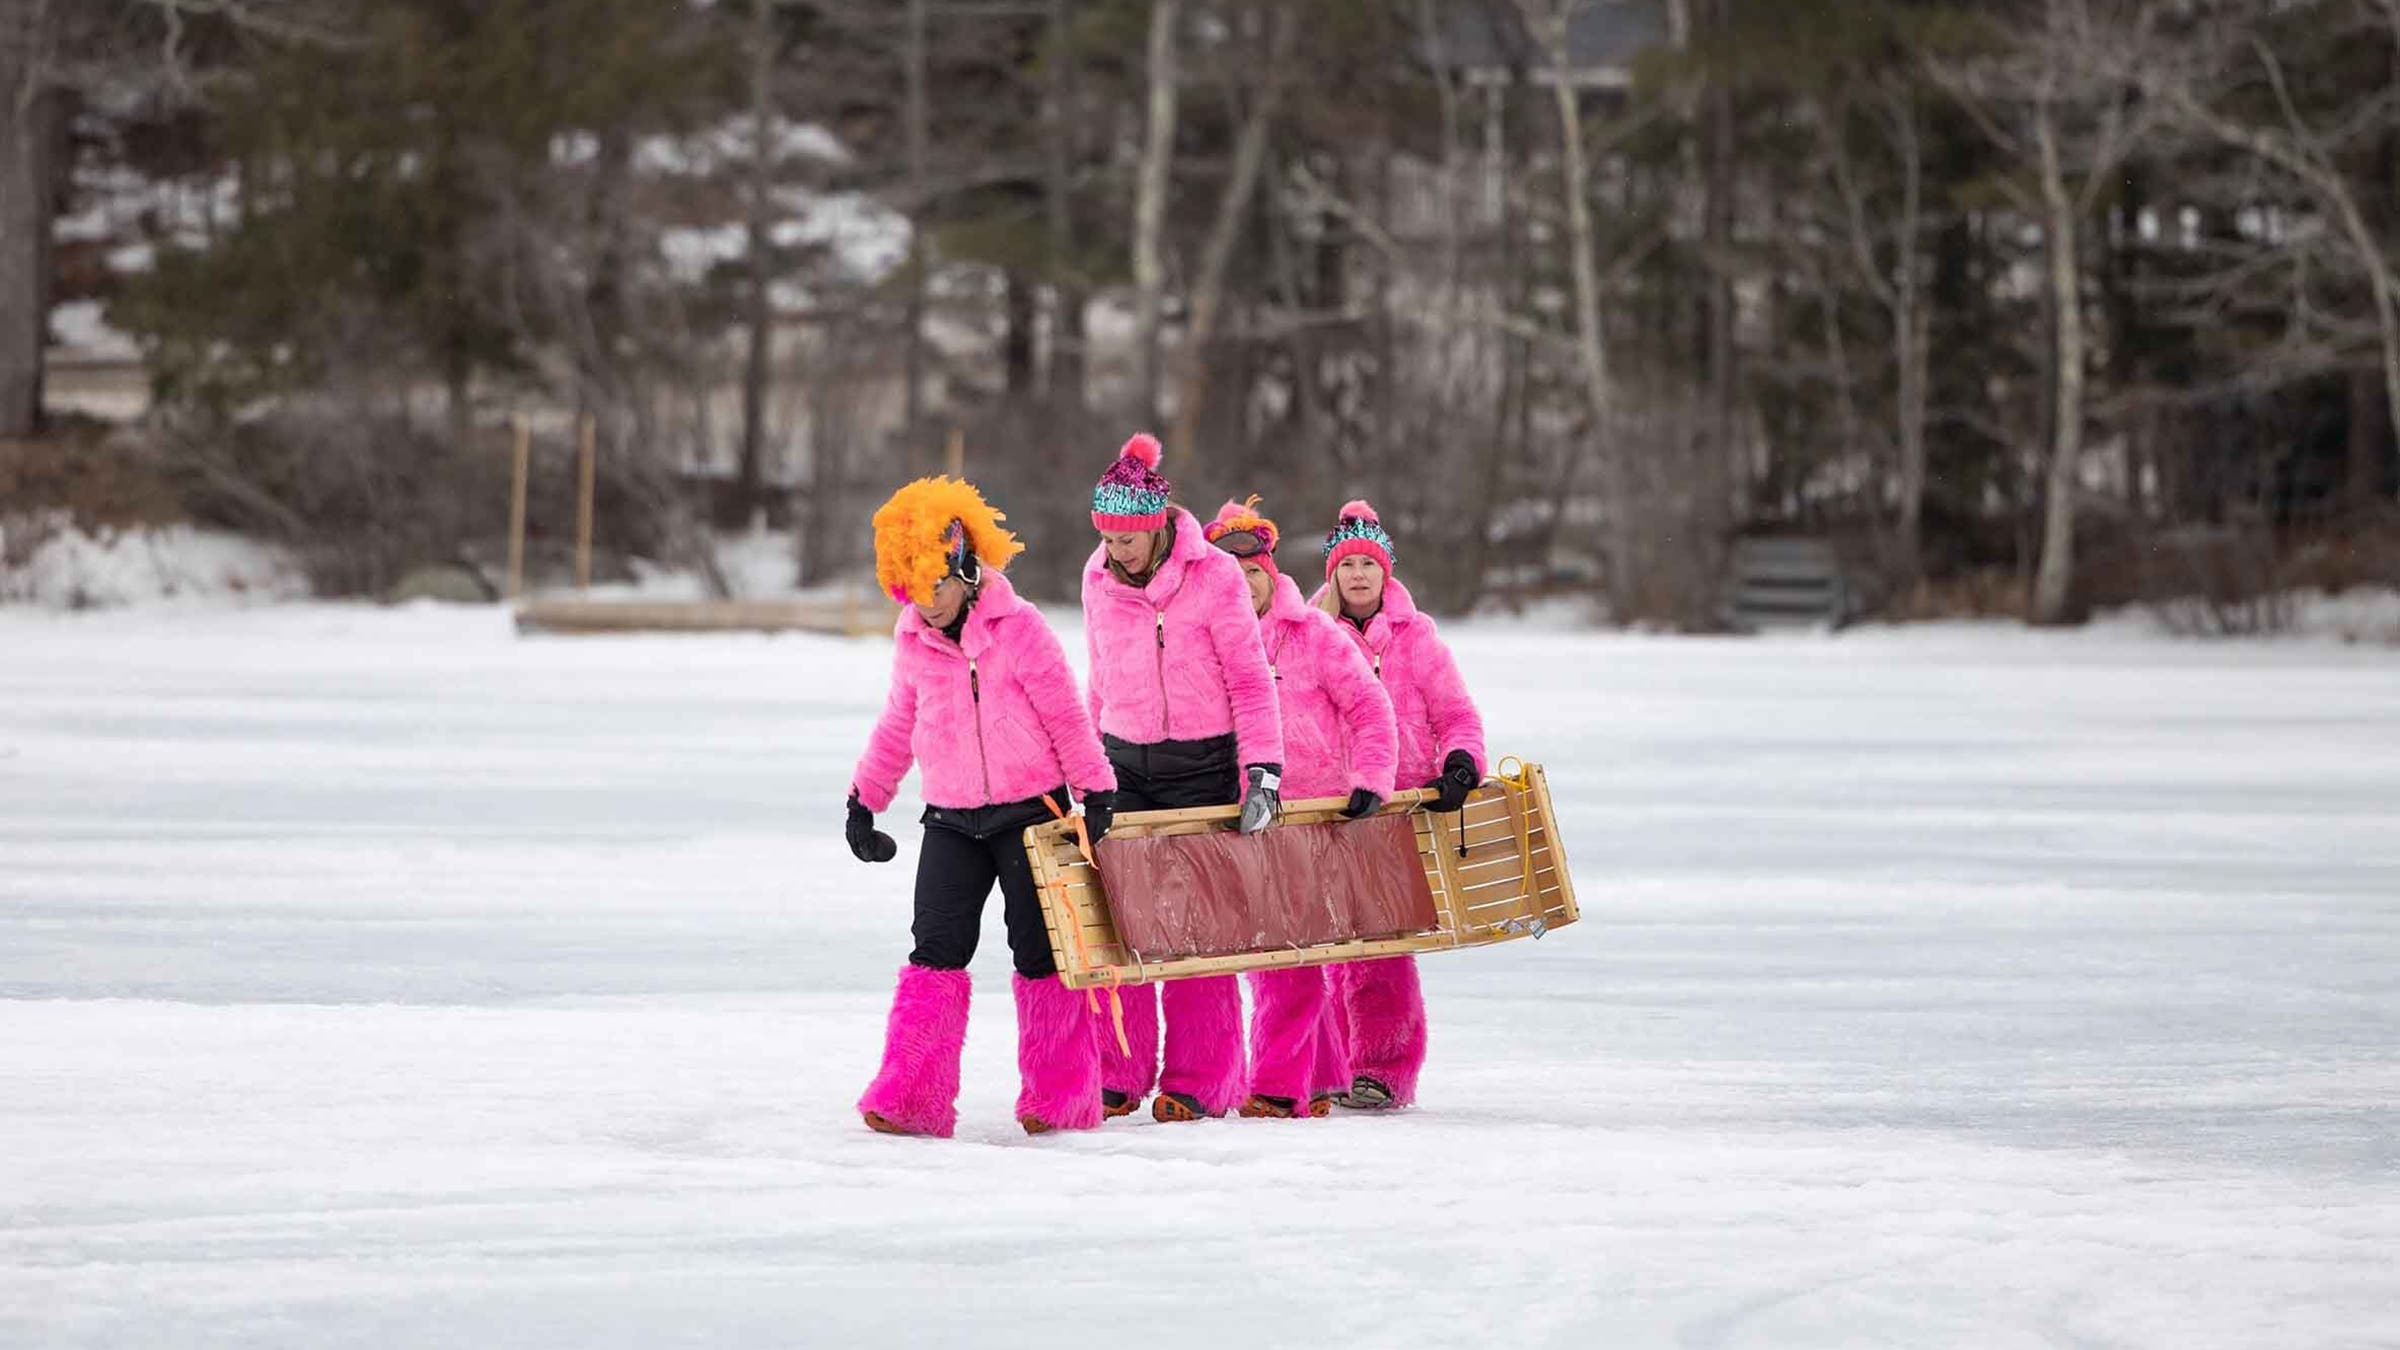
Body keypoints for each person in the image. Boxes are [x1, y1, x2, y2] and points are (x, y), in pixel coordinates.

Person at [848, 476, 1119, 1138]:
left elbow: (1064, 714)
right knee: (935, 950)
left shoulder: (1019, 629)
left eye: (933, 586)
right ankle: (911, 1097)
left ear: (966, 571)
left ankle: (1061, 1098)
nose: (924, 603)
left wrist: (1096, 787)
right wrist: (865, 798)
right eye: (910, 589)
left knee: (1042, 956)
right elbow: (897, 724)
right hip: (951, 818)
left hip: (1036, 813)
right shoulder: (913, 640)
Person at [1083, 434, 1285, 1123]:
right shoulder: (1097, 579)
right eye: (1106, 539)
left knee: (1198, 931)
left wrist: (1263, 771)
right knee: (1122, 928)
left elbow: (1251, 681)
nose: (1117, 552)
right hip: (1122, 766)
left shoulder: (1216, 577)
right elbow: (1098, 680)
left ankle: (1203, 1079)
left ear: (1156, 526)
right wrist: (1085, 773)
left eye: (1127, 539)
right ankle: (1117, 1072)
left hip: (1201, 765)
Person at [1202, 497, 1397, 1119]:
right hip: (1232, 818)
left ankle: (1280, 1085)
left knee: (1287, 958)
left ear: (1269, 573)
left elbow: (1371, 709)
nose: (1242, 586)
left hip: (1307, 817)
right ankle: (1324, 1075)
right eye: (1228, 577)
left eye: (1252, 573)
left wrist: (1371, 778)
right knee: (1271, 957)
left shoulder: (1311, 635)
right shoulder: (1200, 640)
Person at [1311, 499, 1487, 1111]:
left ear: (1386, 572)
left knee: (1382, 949)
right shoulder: (1308, 634)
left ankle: (1384, 1070)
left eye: (1368, 563)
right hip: (1327, 808)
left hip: (1398, 811)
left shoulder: (1418, 641)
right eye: (1347, 564)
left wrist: (1460, 762)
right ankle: (1328, 1063)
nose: (1358, 575)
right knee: (1328, 946)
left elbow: (1457, 715)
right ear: (1332, 575)